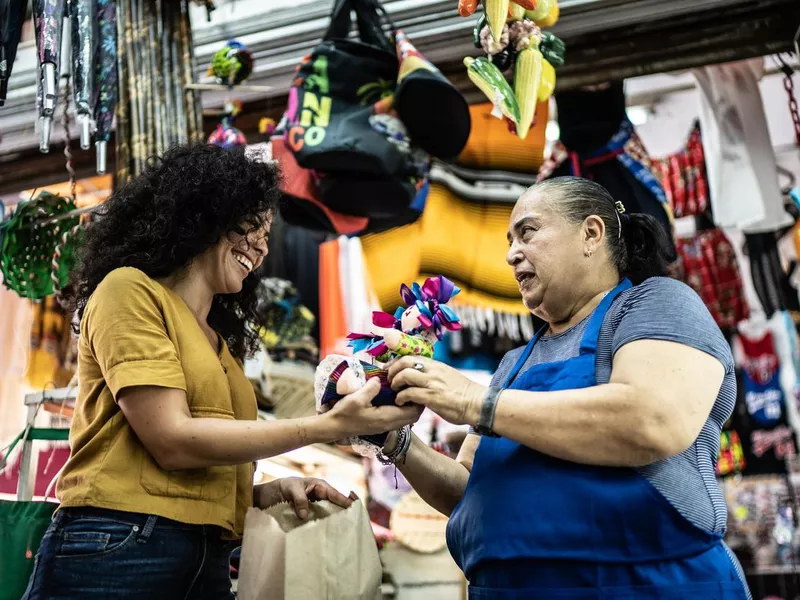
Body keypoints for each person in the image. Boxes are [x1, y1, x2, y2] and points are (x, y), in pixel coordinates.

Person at [22, 145, 421, 600]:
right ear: (203, 216)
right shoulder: (128, 291)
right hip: (119, 547)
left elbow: (188, 473)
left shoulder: (219, 346)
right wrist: (329, 426)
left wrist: (261, 493)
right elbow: (172, 441)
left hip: (201, 559)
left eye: (266, 233)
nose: (261, 246)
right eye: (249, 226)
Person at [381, 176, 751, 599]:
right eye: (508, 241)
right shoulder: (513, 364)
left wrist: (474, 401)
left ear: (591, 233)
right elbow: (468, 490)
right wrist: (395, 440)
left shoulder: (656, 304)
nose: (510, 254)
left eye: (528, 233)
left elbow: (652, 419)